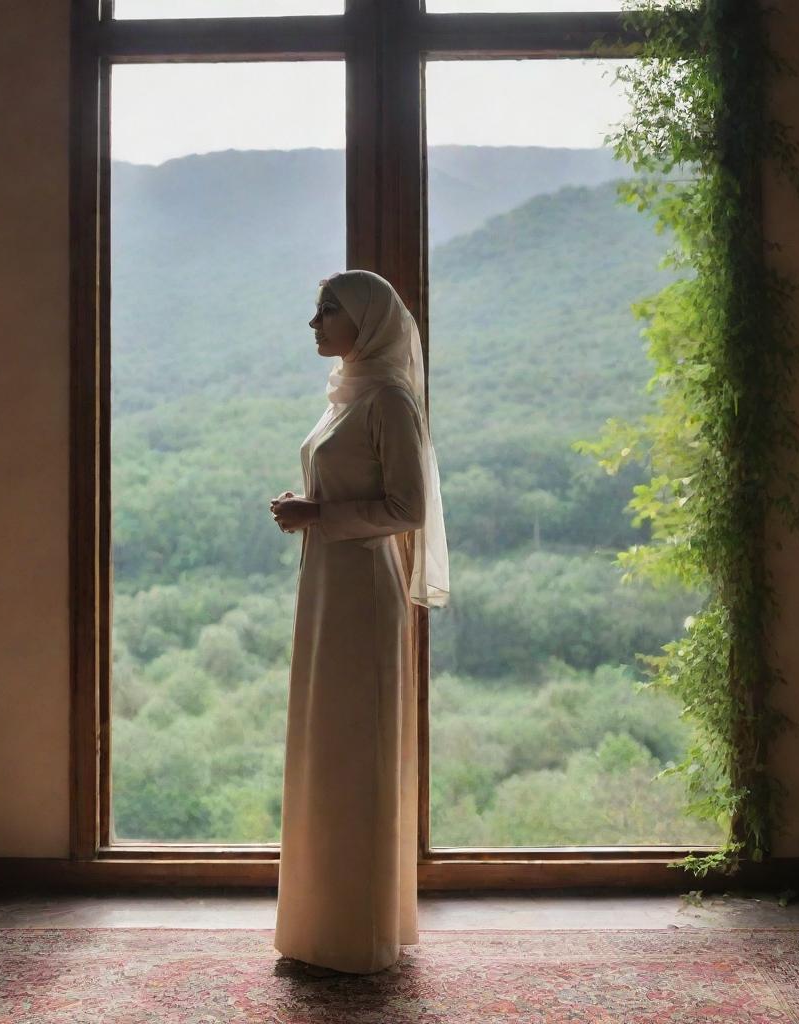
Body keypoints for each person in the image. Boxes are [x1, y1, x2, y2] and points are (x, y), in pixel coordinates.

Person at [269, 269, 450, 977]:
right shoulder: (346, 395)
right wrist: (312, 507)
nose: (314, 324)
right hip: (327, 583)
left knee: (356, 748)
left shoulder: (390, 400)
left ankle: (355, 932)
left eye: (327, 312)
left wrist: (318, 514)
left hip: (363, 588)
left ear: (366, 322)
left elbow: (408, 509)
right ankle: (325, 925)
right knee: (327, 745)